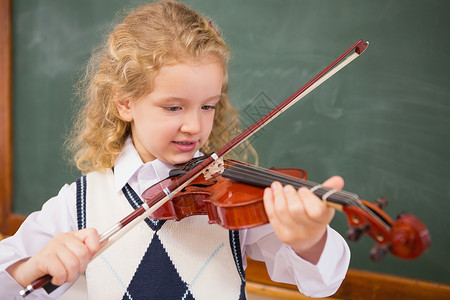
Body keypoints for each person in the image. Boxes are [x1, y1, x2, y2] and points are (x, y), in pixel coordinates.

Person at [0, 1, 350, 299]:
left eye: (208, 106)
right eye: (173, 107)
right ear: (124, 103)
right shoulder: (80, 202)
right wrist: (31, 267)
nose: (195, 126)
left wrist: (310, 241)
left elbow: (322, 282)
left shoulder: (231, 201)